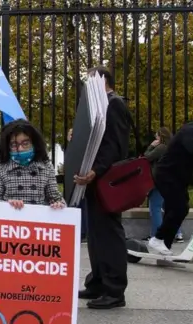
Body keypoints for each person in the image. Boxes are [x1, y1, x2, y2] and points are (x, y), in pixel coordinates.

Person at [74, 66, 133, 310]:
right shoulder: (99, 105)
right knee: (97, 236)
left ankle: (114, 290)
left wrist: (96, 170)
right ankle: (97, 282)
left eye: (90, 80)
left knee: (109, 235)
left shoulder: (115, 104)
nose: (87, 85)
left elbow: (115, 146)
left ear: (103, 80)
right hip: (95, 182)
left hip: (106, 180)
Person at [147, 106, 193, 255]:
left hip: (178, 177)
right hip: (167, 175)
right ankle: (158, 239)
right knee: (179, 208)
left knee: (178, 208)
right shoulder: (190, 130)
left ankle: (164, 244)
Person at [0, 119, 65, 210]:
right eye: (14, 144)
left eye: (25, 143)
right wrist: (9, 204)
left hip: (38, 220)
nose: (20, 149)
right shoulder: (1, 168)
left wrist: (58, 204)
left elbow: (54, 196)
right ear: (7, 147)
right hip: (11, 221)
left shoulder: (46, 166)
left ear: (34, 144)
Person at [144, 127, 182, 242]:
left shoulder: (161, 147)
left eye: (156, 136)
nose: (156, 138)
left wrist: (151, 146)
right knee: (170, 208)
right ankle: (177, 234)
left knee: (155, 207)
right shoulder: (174, 147)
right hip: (172, 181)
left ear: (161, 137)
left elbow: (147, 157)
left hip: (160, 181)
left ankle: (158, 235)